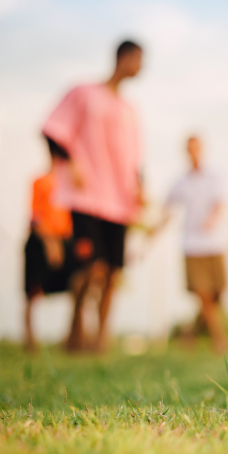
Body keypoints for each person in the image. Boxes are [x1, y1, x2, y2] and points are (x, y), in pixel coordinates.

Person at [42, 39, 145, 353]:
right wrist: (70, 163)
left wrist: (141, 188)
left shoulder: (130, 110)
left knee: (112, 274)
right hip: (87, 197)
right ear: (124, 57)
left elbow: (135, 159)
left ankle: (100, 338)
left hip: (120, 203)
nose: (141, 67)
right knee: (91, 268)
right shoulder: (83, 93)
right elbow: (53, 130)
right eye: (139, 60)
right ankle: (75, 328)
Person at [153, 136, 228, 353]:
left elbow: (221, 203)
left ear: (202, 149)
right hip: (192, 245)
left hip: (215, 243)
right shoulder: (180, 182)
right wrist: (153, 232)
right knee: (204, 294)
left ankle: (191, 333)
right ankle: (220, 339)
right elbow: (167, 210)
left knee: (218, 293)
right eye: (190, 149)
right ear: (186, 151)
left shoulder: (215, 177)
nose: (193, 152)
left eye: (197, 148)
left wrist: (213, 218)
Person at [22, 138, 75, 353]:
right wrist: (51, 243)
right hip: (41, 241)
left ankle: (72, 337)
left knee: (75, 286)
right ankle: (29, 339)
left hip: (65, 240)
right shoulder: (40, 182)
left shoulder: (70, 186)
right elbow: (35, 219)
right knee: (33, 290)